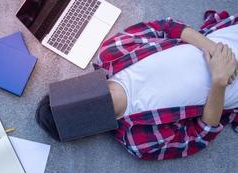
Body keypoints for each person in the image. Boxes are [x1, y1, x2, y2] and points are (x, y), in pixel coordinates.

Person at [36, 10, 238, 160]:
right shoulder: (138, 140)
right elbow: (199, 136)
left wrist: (213, 50)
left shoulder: (111, 53)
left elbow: (164, 27)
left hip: (225, 40)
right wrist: (219, 81)